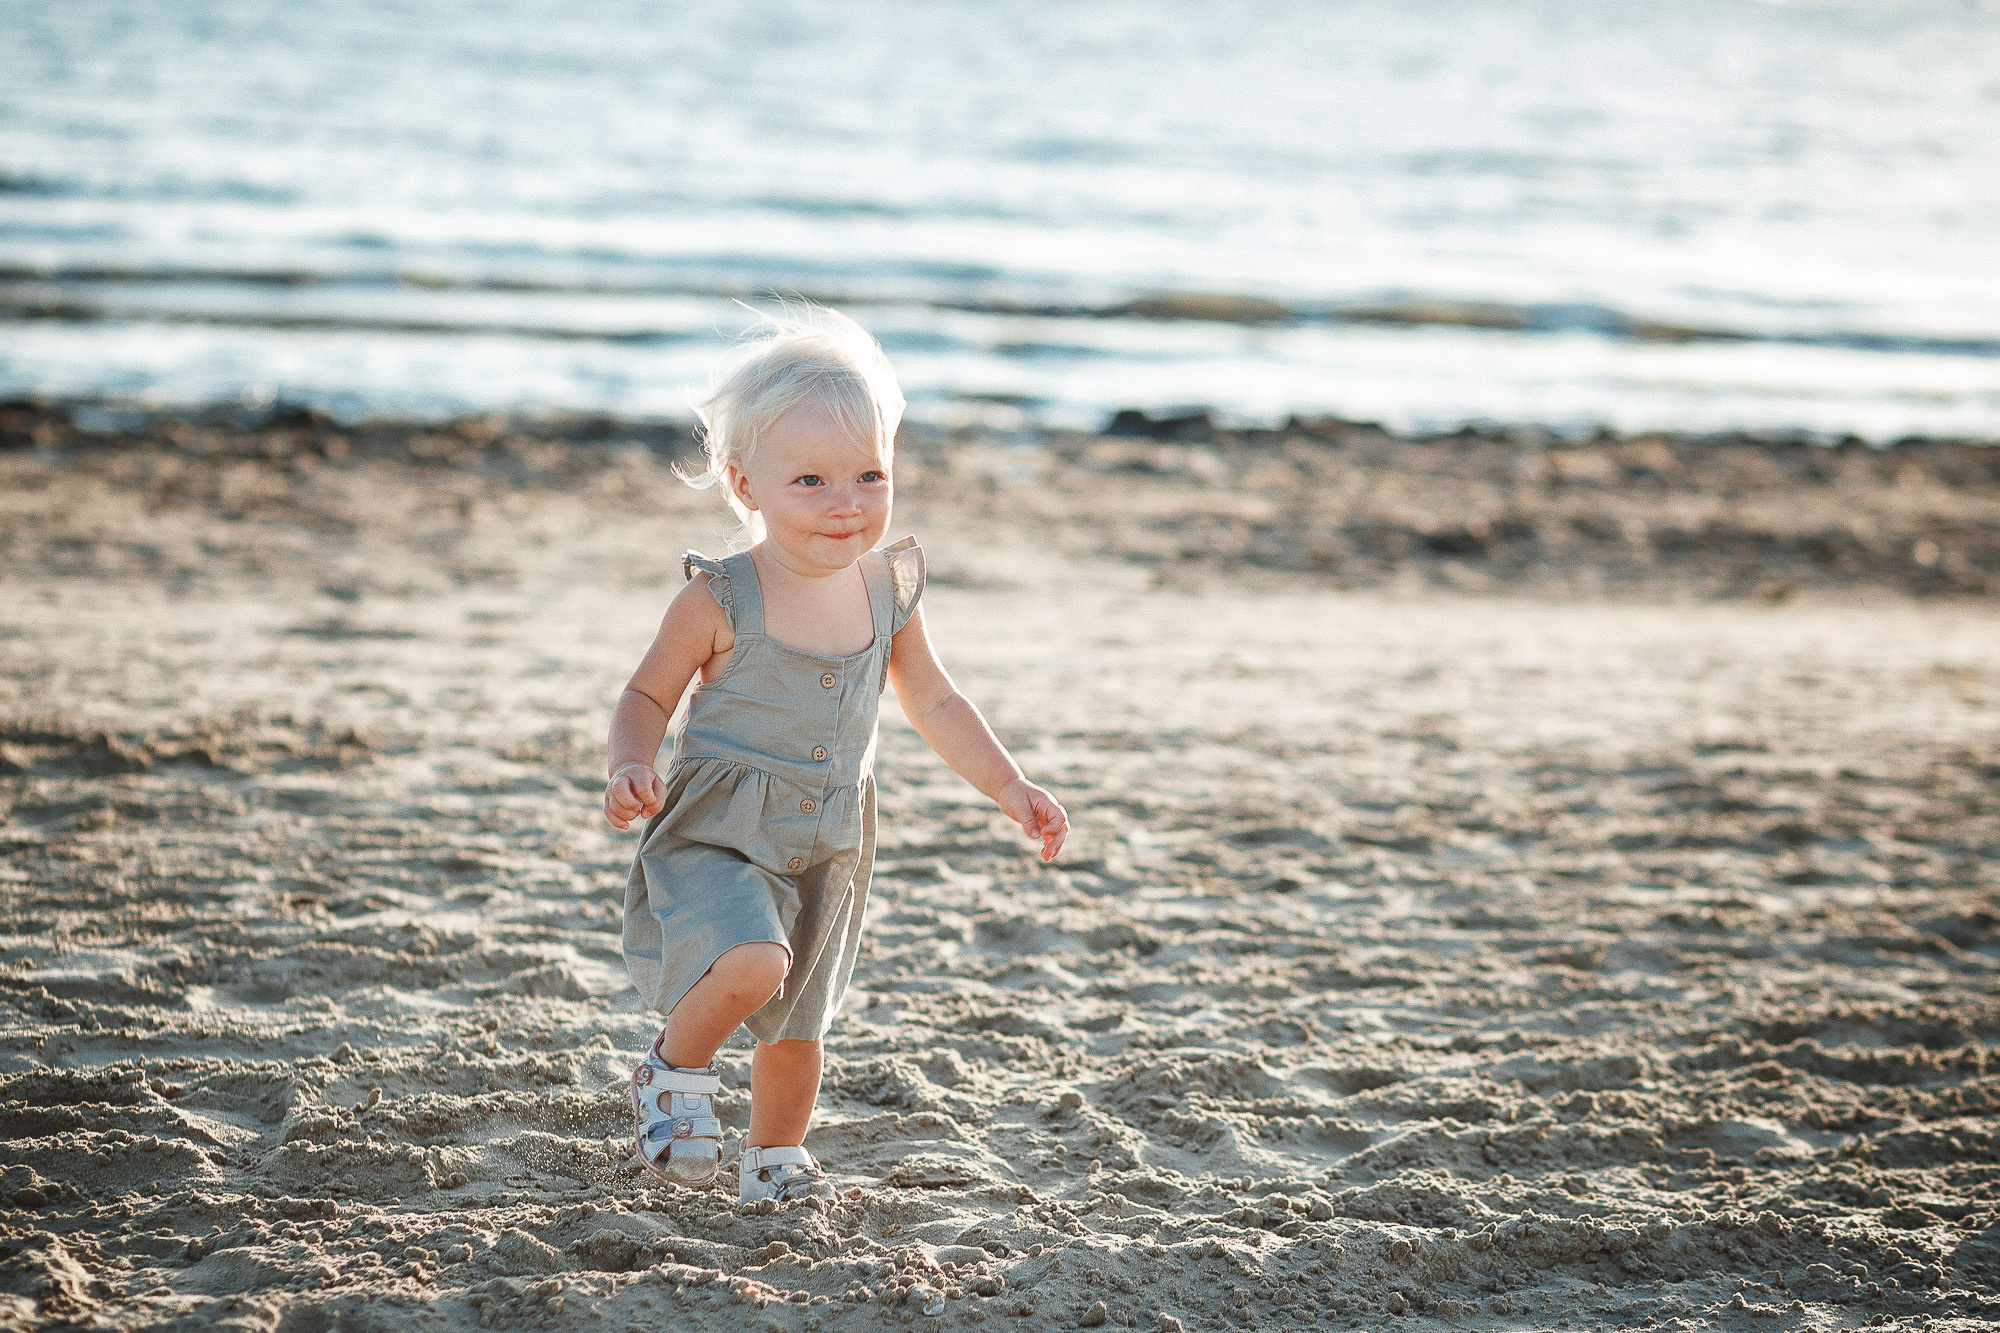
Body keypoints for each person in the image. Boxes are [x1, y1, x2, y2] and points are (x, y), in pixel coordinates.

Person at [603, 307, 1069, 1204]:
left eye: (869, 474)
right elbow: (646, 694)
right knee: (753, 964)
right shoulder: (721, 596)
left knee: (797, 1022)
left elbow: (933, 698)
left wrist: (1008, 784)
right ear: (746, 483)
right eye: (810, 479)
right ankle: (671, 1069)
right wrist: (629, 762)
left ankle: (774, 1157)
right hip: (723, 827)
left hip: (831, 839)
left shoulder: (889, 590)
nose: (845, 502)